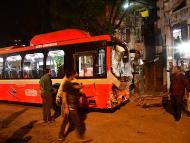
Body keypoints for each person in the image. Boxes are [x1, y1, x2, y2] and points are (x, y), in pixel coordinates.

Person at [58, 70, 91, 142]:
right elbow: (64, 97)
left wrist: (83, 86)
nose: (74, 76)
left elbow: (75, 87)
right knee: (77, 121)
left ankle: (60, 136)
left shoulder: (69, 83)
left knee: (65, 122)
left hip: (71, 106)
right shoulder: (66, 84)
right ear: (71, 75)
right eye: (74, 75)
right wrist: (66, 107)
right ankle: (81, 137)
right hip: (70, 106)